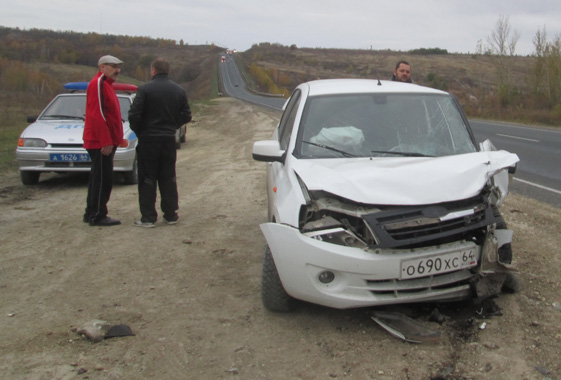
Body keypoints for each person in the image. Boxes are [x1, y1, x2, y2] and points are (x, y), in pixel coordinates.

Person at [129, 58, 192, 228]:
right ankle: (171, 214)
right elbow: (187, 115)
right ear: (168, 71)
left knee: (147, 178)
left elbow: (134, 115)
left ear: (153, 70)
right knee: (168, 177)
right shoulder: (178, 90)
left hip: (148, 140)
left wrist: (140, 130)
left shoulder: (145, 89)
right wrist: (172, 125)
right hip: (168, 139)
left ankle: (148, 217)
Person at [82, 55, 124, 226]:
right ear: (102, 67)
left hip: (104, 141)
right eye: (113, 66)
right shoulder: (99, 84)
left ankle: (91, 211)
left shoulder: (106, 85)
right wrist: (105, 140)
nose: (117, 70)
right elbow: (96, 114)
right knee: (102, 179)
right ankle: (98, 215)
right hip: (100, 142)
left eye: (118, 66)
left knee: (98, 177)